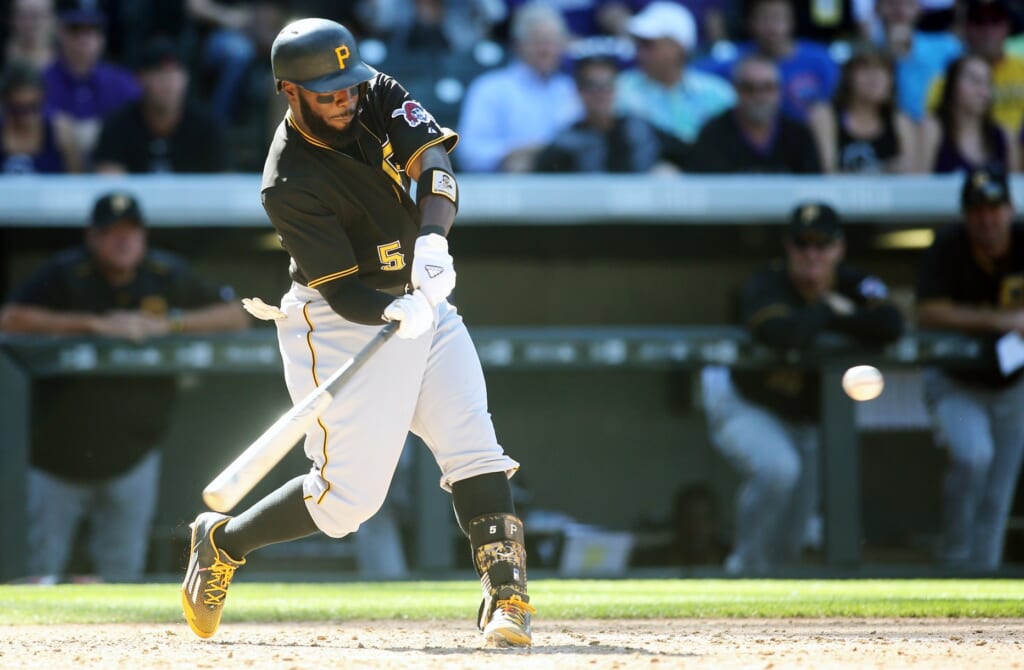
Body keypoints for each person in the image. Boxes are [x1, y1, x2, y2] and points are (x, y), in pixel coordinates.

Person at [179, 18, 534, 647]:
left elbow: (435, 163)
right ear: (290, 92)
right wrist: (392, 312)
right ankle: (222, 541)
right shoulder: (288, 181)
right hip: (339, 320)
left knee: (473, 444)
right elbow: (343, 291)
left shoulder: (374, 90)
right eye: (328, 93)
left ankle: (508, 599)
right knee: (347, 504)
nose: (345, 100)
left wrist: (432, 239)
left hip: (418, 296)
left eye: (348, 86)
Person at [0, 191, 249, 584]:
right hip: (54, 459)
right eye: (111, 232)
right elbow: (11, 319)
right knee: (37, 572)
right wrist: (93, 325)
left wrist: (169, 324)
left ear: (143, 235)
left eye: (131, 231)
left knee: (121, 575)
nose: (123, 240)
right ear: (92, 237)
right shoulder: (67, 273)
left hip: (133, 455)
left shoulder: (164, 273)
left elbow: (236, 315)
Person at [701, 202, 904, 574]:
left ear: (838, 248)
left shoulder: (855, 282)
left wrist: (838, 315)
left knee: (794, 533)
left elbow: (892, 324)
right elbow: (783, 334)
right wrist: (831, 310)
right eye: (802, 244)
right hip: (747, 403)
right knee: (778, 469)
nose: (812, 254)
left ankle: (772, 596)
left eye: (822, 244)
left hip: (806, 419)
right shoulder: (768, 282)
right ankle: (742, 568)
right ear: (788, 247)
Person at [916, 166, 1024, 571]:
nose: (988, 218)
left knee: (999, 488)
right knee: (974, 457)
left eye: (995, 207)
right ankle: (956, 562)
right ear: (966, 215)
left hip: (1013, 384)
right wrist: (999, 319)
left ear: (1010, 209)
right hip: (956, 379)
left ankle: (987, 573)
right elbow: (927, 312)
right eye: (978, 209)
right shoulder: (948, 246)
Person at [456, 2, 582, 172]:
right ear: (518, 44)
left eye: (553, 42)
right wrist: (510, 155)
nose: (546, 50)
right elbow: (468, 152)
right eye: (539, 42)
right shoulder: (490, 88)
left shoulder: (571, 89)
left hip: (568, 189)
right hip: (502, 190)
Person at [93, 37, 228, 173]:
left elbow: (223, 182)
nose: (167, 83)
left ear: (186, 78)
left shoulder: (207, 126)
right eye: (158, 74)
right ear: (140, 79)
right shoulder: (118, 125)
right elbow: (109, 182)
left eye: (173, 74)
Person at [694, 0, 839, 122]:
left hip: (803, 142)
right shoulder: (736, 58)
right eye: (764, 19)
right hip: (751, 137)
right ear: (750, 24)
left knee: (821, 112)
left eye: (777, 18)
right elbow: (692, 74)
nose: (772, 28)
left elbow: (835, 101)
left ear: (791, 21)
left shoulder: (820, 60)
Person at [615, 1, 735, 144]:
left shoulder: (718, 94)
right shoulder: (619, 90)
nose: (640, 53)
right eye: (639, 44)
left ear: (677, 48)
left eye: (649, 45)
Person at [532, 54, 673, 173]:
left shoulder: (640, 129)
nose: (600, 94)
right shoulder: (565, 142)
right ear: (579, 90)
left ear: (615, 89)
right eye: (591, 86)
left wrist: (669, 167)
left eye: (606, 85)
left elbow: (683, 155)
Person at [42, 0, 141, 165]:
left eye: (91, 31)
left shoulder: (121, 82)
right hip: (56, 177)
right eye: (75, 30)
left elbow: (141, 123)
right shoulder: (41, 80)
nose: (83, 39)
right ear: (60, 33)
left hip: (114, 173)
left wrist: (104, 131)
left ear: (102, 37)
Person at [687, 54, 822, 173]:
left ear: (779, 91)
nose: (759, 96)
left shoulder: (799, 135)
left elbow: (813, 189)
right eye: (749, 88)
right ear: (736, 90)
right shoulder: (712, 134)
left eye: (768, 88)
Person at [925, 0, 1024, 145]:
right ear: (965, 28)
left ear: (1008, 26)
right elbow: (932, 133)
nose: (987, 30)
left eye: (996, 21)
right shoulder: (946, 80)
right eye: (979, 21)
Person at [806, 46, 917, 174]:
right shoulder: (825, 115)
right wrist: (882, 171)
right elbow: (827, 174)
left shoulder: (900, 121)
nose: (875, 77)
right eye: (865, 68)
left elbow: (913, 180)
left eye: (883, 70)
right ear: (848, 76)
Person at [920, 54, 1019, 174]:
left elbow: (1016, 188)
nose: (983, 91)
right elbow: (917, 186)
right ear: (952, 85)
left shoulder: (1005, 136)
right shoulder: (932, 130)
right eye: (975, 81)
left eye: (988, 83)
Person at [870, 0, 960, 122]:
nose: (900, 10)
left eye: (908, 3)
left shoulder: (948, 48)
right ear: (876, 8)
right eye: (891, 3)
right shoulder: (864, 52)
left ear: (919, 9)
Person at [1, 60, 83, 173]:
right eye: (18, 109)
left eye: (33, 107)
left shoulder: (60, 131)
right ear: (5, 103)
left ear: (42, 100)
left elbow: (77, 180)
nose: (26, 116)